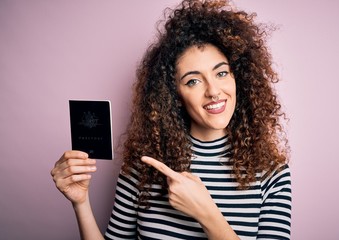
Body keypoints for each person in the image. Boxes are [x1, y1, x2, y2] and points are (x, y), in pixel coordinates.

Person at [51, 0, 291, 239]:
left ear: (237, 77)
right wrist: (80, 202)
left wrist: (207, 214)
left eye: (221, 73)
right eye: (193, 81)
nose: (213, 91)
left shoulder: (272, 173)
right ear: (174, 95)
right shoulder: (145, 165)